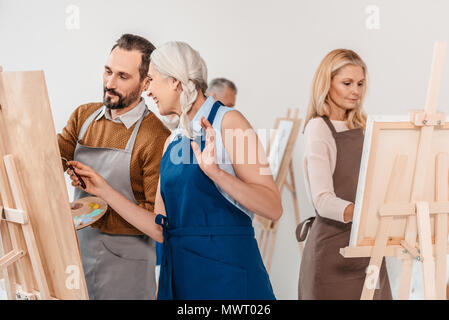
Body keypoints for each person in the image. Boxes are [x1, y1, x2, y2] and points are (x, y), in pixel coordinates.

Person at [67, 41, 282, 300]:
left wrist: (216, 173)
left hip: (228, 277)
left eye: (151, 80)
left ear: (176, 82)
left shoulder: (231, 123)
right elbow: (160, 228)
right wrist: (104, 190)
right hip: (181, 278)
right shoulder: (173, 140)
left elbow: (273, 207)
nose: (146, 90)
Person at [58, 34, 171, 300]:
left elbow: (159, 224)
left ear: (146, 83)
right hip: (77, 254)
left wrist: (103, 197)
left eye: (123, 76)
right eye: (108, 71)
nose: (109, 83)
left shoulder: (156, 137)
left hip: (126, 267)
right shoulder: (83, 117)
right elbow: (49, 157)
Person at [296, 49, 392, 300]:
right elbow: (323, 200)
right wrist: (368, 214)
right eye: (347, 83)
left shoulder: (363, 126)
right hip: (332, 252)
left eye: (360, 84)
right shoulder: (319, 128)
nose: (356, 91)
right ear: (326, 84)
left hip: (368, 248)